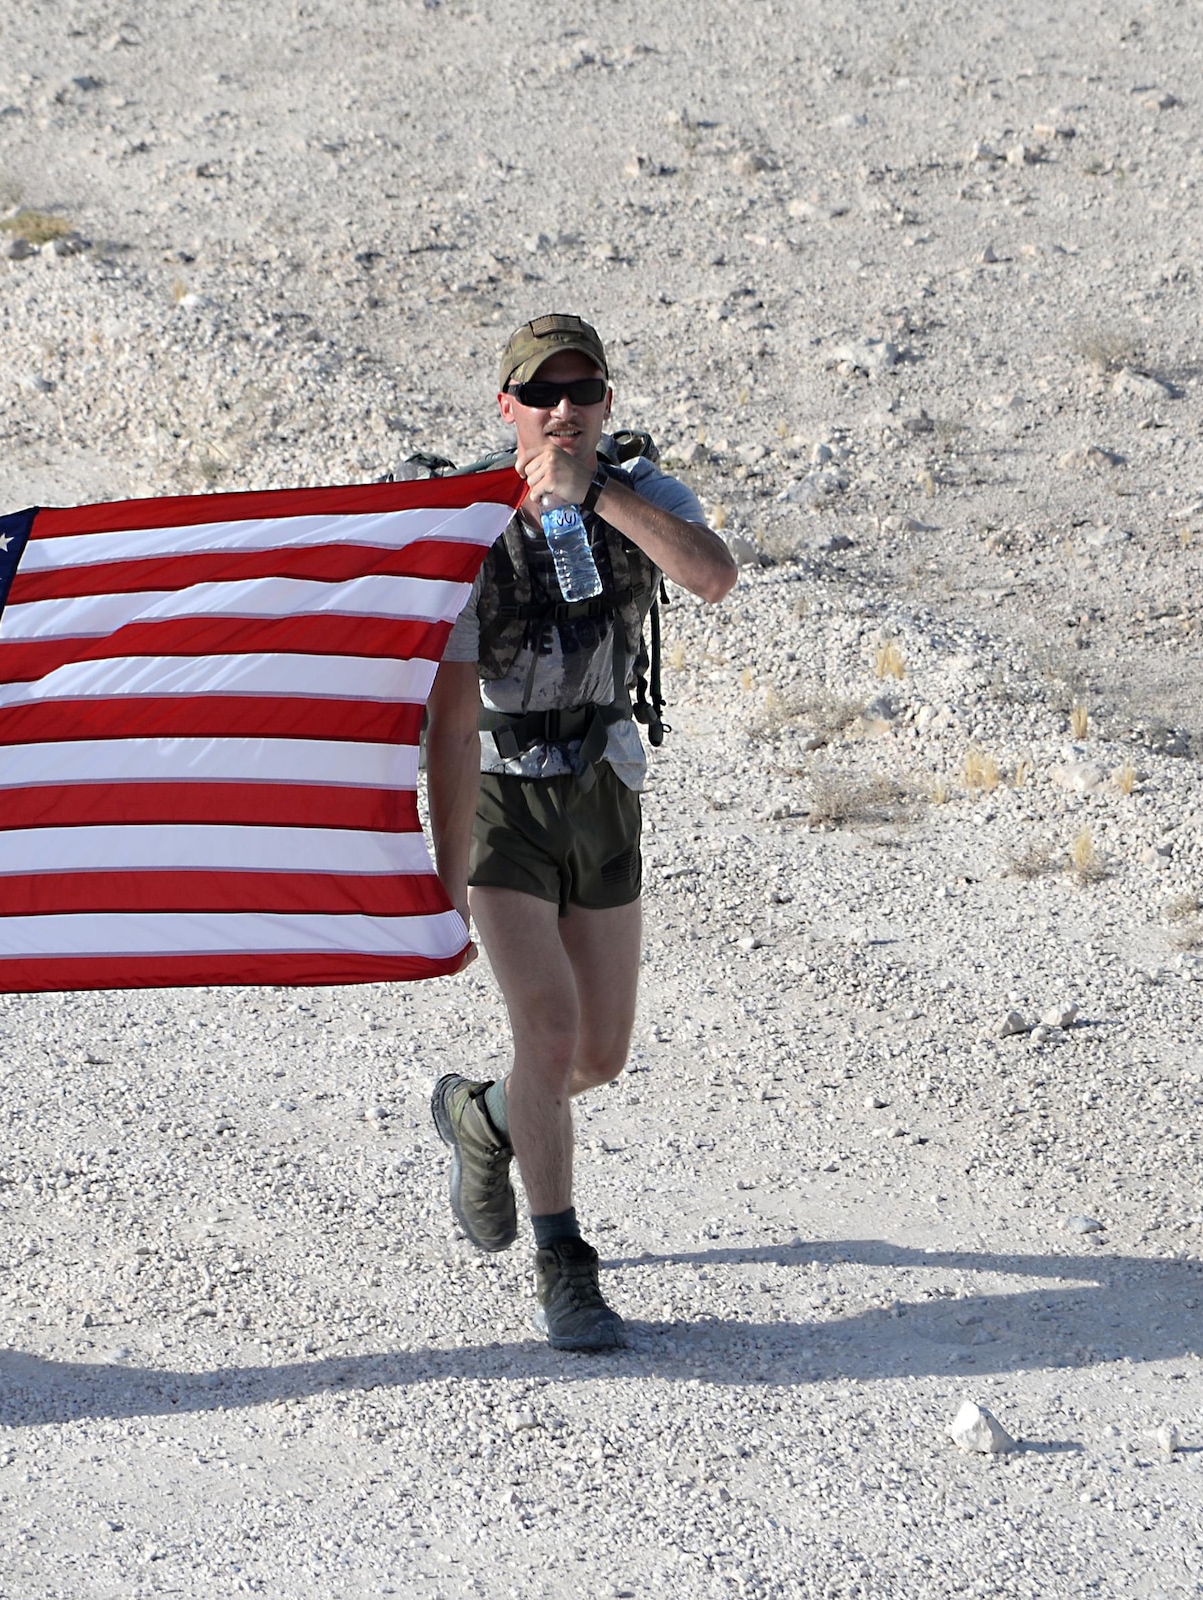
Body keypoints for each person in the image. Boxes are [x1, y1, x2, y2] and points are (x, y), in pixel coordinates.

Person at [424, 314, 737, 1350]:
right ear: (503, 406)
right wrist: (440, 874)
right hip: (503, 797)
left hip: (600, 785)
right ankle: (566, 1268)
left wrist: (595, 492)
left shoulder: (641, 492)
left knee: (597, 1055)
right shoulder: (461, 523)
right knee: (547, 1030)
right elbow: (451, 716)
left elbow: (711, 575)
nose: (564, 411)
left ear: (606, 401)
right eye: (541, 393)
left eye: (584, 392)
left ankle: (485, 1118)